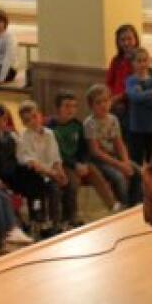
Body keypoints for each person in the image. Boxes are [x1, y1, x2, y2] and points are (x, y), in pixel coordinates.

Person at [0, 102, 52, 232]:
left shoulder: (12, 135)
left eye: (3, 119)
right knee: (25, 183)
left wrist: (31, 163)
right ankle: (19, 223)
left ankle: (37, 216)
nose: (0, 123)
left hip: (12, 174)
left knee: (36, 179)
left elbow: (22, 155)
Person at [49, 92, 115, 225]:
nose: (71, 110)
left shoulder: (77, 125)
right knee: (73, 181)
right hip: (61, 163)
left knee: (94, 172)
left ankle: (113, 206)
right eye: (67, 106)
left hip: (78, 162)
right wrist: (75, 165)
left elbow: (84, 149)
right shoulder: (51, 128)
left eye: (74, 106)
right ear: (58, 108)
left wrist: (83, 163)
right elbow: (57, 153)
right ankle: (71, 216)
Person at [84, 83, 140, 209]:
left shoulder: (113, 119)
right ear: (91, 106)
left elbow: (119, 143)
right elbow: (95, 151)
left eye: (106, 101)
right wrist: (120, 165)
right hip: (99, 160)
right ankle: (124, 206)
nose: (103, 105)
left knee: (137, 171)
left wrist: (125, 162)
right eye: (98, 102)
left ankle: (135, 204)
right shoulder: (90, 123)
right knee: (118, 177)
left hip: (113, 156)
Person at [16, 101, 68, 229]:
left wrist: (60, 172)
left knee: (57, 188)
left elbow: (55, 156)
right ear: (23, 122)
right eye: (28, 120)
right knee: (38, 192)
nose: (33, 121)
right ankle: (39, 220)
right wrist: (53, 174)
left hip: (50, 172)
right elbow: (31, 162)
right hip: (33, 174)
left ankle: (56, 222)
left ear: (40, 115)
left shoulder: (49, 133)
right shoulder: (23, 137)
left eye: (34, 116)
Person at [105, 24, 140, 111]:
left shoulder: (140, 60)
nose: (126, 43)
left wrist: (119, 97)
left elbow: (137, 84)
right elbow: (109, 82)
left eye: (129, 39)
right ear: (118, 42)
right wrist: (110, 97)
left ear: (135, 39)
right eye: (122, 40)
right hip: (113, 99)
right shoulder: (116, 60)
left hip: (131, 100)